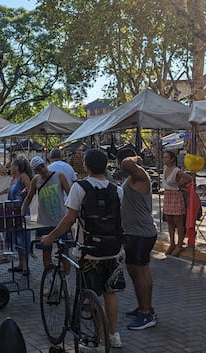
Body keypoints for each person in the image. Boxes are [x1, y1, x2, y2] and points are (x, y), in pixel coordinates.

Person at [40, 149, 125, 350]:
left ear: (86, 165)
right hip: (112, 249)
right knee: (110, 293)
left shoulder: (80, 188)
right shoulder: (117, 190)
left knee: (91, 293)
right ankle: (113, 334)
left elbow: (70, 219)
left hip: (89, 251)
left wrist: (51, 237)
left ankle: (99, 338)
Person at [117, 147, 158, 330]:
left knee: (139, 271)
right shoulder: (133, 177)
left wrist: (134, 158)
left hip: (140, 233)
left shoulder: (138, 175)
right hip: (136, 233)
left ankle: (146, 314)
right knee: (138, 271)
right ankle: (144, 306)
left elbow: (126, 163)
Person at [20, 156, 72, 269]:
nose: (42, 170)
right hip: (44, 222)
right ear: (35, 171)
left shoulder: (59, 176)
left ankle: (66, 280)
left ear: (45, 164)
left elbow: (70, 194)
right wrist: (22, 212)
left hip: (61, 221)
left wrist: (72, 213)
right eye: (38, 169)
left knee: (65, 253)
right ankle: (49, 277)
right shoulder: (35, 180)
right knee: (46, 253)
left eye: (42, 166)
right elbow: (29, 197)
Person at [0, 157, 33, 274]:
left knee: (23, 238)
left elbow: (31, 190)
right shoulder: (13, 178)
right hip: (12, 212)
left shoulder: (24, 177)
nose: (10, 167)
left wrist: (26, 191)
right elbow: (9, 189)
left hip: (22, 211)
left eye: (12, 165)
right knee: (16, 238)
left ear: (17, 167)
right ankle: (20, 264)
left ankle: (26, 267)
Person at [161, 149, 193, 256]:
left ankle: (179, 245)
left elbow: (189, 178)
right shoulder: (165, 169)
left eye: (166, 157)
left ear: (172, 159)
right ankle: (172, 243)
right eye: (164, 157)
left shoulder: (176, 171)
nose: (164, 159)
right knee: (169, 221)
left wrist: (181, 184)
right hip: (167, 196)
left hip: (175, 195)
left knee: (178, 222)